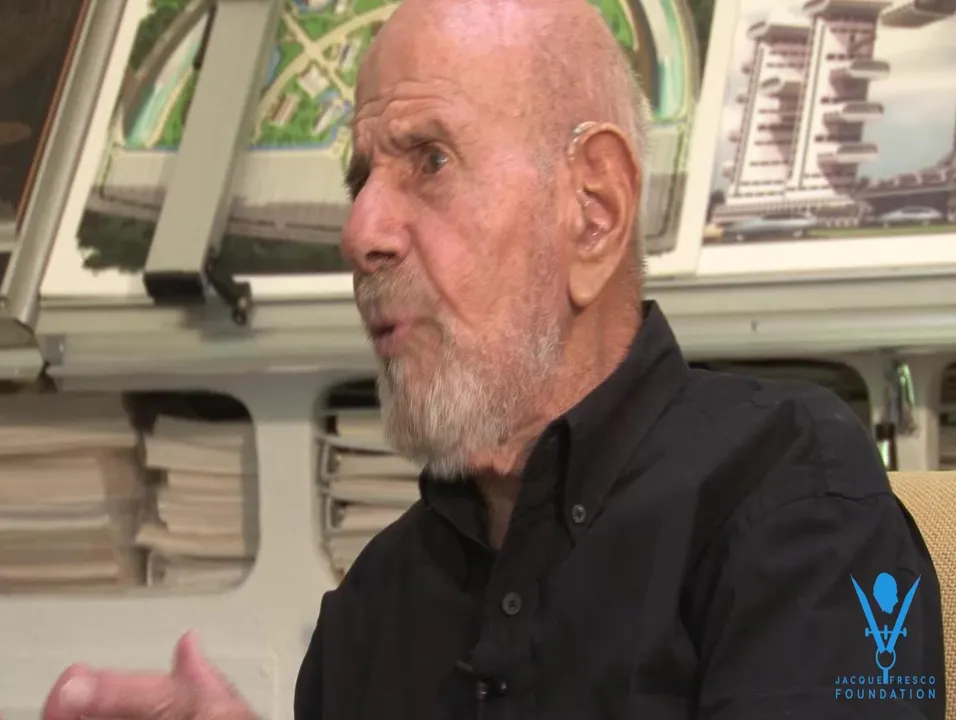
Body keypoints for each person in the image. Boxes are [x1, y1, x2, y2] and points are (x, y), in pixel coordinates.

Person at [40, 0, 946, 717]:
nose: (360, 232)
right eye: (360, 180)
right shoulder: (372, 606)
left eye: (429, 161)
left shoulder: (793, 501)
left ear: (593, 211)